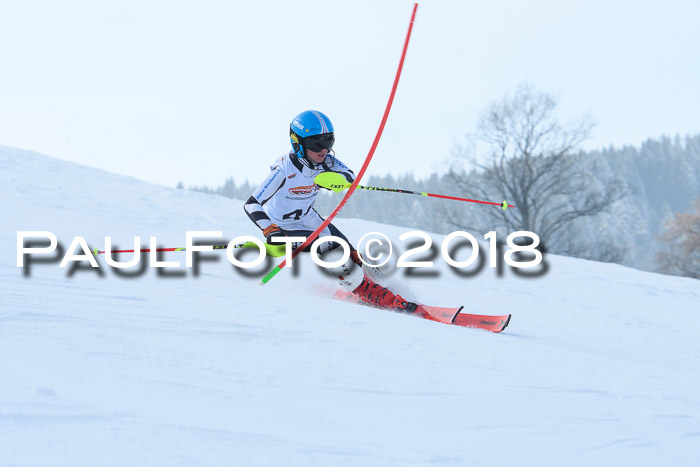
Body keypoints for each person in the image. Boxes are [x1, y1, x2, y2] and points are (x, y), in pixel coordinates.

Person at [244, 110, 416, 312]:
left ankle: (383, 288)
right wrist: (270, 230)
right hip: (284, 228)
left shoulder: (325, 161)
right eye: (316, 143)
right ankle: (375, 295)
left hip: (309, 219)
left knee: (355, 256)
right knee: (333, 249)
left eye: (329, 142)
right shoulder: (284, 170)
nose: (323, 150)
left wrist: (337, 181)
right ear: (297, 143)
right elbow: (251, 203)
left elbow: (349, 175)